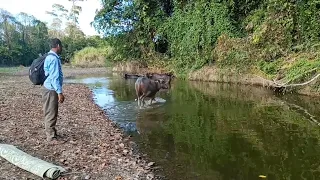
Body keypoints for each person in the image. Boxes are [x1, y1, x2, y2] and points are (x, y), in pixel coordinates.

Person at [42, 38, 65, 144]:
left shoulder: (49, 56)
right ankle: (51, 137)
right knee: (51, 112)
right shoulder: (54, 59)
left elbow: (47, 73)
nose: (62, 48)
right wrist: (59, 92)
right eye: (61, 46)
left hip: (47, 88)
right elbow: (54, 77)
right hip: (51, 89)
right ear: (58, 46)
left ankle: (52, 133)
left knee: (49, 111)